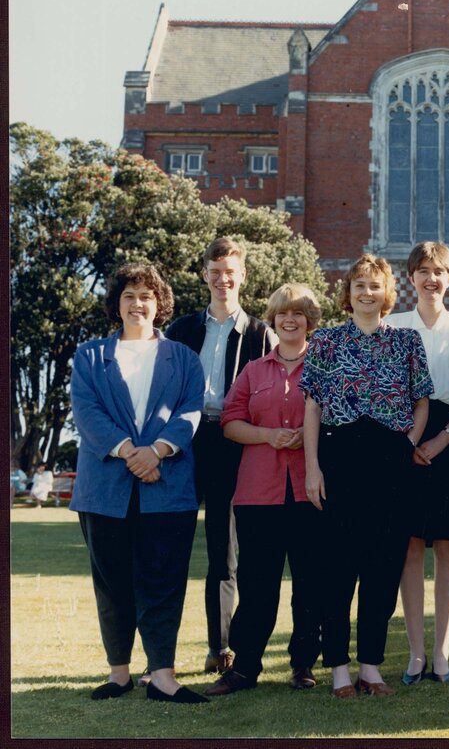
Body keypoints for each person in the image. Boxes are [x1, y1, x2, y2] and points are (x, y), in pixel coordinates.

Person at [69, 263, 207, 704]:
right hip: (105, 489)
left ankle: (163, 676)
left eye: (146, 295)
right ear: (117, 304)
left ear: (159, 304)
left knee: (164, 580)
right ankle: (119, 673)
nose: (137, 303)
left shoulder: (183, 358)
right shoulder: (90, 356)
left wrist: (158, 451)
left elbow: (191, 412)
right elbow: (87, 413)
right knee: (112, 581)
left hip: (167, 486)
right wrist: (131, 452)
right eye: (129, 295)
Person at [301, 254, 432, 698]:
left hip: (390, 463)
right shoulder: (324, 343)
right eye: (359, 285)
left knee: (382, 568)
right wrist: (312, 467)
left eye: (374, 286)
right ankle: (339, 668)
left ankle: (371, 667)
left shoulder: (407, 342)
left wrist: (408, 443)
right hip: (338, 460)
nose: (366, 293)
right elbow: (313, 407)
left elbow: (421, 401)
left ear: (386, 293)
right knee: (337, 570)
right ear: (348, 293)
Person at [205, 284, 326, 697]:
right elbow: (229, 421)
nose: (289, 321)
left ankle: (304, 664)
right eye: (281, 314)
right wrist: (268, 434)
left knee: (310, 582)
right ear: (272, 320)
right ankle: (244, 667)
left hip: (310, 492)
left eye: (298, 314)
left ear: (310, 321)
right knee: (257, 584)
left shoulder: (325, 366)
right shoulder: (254, 371)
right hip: (259, 494)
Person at [165, 237, 277, 675]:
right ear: (205, 275)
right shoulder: (182, 331)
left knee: (224, 551)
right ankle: (161, 655)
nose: (222, 279)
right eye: (215, 271)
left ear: (242, 276)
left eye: (230, 271)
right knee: (168, 549)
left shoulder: (258, 334)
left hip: (234, 444)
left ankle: (222, 646)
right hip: (184, 443)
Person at [384, 242, 449, 685]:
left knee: (446, 547)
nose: (431, 279)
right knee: (411, 547)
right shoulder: (393, 325)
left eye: (439, 271)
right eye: (423, 271)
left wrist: (444, 438)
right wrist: (411, 441)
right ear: (411, 278)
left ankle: (442, 653)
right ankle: (416, 654)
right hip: (404, 444)